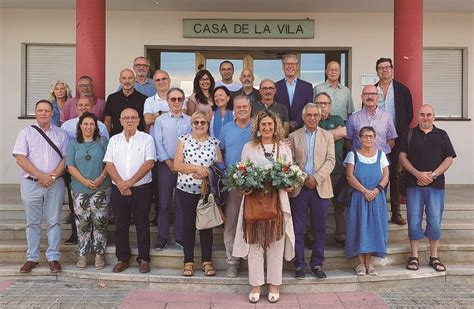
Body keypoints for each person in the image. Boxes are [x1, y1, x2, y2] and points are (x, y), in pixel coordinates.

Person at [233, 110, 295, 304]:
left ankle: (275, 284)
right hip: (253, 203)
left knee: (276, 244)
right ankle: (256, 285)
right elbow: (241, 172)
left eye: (270, 124)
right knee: (255, 245)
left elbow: (291, 175)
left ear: (275, 126)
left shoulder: (284, 148)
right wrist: (244, 187)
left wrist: (289, 184)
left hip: (277, 202)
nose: (267, 128)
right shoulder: (249, 147)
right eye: (263, 125)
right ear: (258, 128)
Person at [12, 100, 69, 274]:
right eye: (40, 110)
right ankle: (32, 258)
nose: (43, 113)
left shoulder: (62, 134)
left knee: (54, 221)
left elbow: (65, 160)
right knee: (32, 223)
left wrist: (51, 176)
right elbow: (21, 158)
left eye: (46, 110)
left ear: (53, 113)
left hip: (55, 183)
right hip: (31, 184)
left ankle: (53, 257)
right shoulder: (25, 133)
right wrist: (40, 176)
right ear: (35, 113)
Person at [399, 104, 456, 272]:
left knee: (435, 221)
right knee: (414, 220)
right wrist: (418, 174)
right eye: (422, 114)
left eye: (429, 115)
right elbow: (402, 157)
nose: (426, 117)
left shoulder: (442, 135)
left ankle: (434, 256)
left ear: (434, 116)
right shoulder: (409, 134)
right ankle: (414, 256)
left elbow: (449, 159)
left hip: (436, 186)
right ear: (418, 116)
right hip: (413, 184)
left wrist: (432, 175)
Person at [103, 108, 155, 273]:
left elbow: (149, 164)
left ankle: (144, 259)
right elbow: (109, 164)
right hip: (119, 189)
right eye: (126, 118)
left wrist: (129, 183)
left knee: (142, 224)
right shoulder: (114, 140)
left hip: (141, 189)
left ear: (139, 120)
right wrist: (121, 184)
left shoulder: (147, 139)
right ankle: (122, 258)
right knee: (120, 225)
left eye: (133, 118)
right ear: (120, 120)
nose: (129, 121)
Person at [174, 111, 223, 277]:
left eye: (203, 122)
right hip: (186, 189)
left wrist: (206, 172)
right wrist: (197, 168)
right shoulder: (183, 140)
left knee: (205, 226)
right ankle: (188, 262)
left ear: (208, 125)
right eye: (196, 122)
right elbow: (177, 165)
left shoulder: (214, 142)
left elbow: (220, 167)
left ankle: (207, 261)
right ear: (192, 124)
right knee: (188, 225)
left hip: (206, 191)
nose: (200, 125)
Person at [289, 103, 335, 279]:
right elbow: (290, 161)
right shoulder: (293, 136)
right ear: (303, 116)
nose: (312, 118)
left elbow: (331, 160)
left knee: (319, 228)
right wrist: (304, 178)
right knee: (298, 228)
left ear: (320, 116)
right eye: (309, 114)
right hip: (300, 188)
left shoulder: (327, 136)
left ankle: (317, 263)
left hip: (320, 187)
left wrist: (315, 178)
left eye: (316, 114)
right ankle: (299, 265)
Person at [66, 112, 111, 269]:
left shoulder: (103, 141)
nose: (88, 127)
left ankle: (99, 254)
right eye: (85, 124)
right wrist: (84, 181)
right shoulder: (73, 144)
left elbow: (109, 163)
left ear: (96, 127)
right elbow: (70, 166)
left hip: (102, 188)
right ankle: (83, 255)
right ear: (80, 126)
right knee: (83, 223)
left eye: (92, 124)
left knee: (100, 222)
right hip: (79, 189)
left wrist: (100, 178)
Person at [61, 96, 109, 245]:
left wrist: (101, 177)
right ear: (76, 108)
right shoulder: (66, 125)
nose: (83, 107)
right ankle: (76, 236)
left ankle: (97, 243)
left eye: (86, 105)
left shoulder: (101, 126)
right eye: (80, 105)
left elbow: (107, 154)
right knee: (76, 209)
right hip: (75, 174)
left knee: (98, 213)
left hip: (98, 175)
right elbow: (65, 151)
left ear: (92, 107)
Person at [344, 126, 389, 276]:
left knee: (373, 229)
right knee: (358, 227)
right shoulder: (353, 155)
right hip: (359, 198)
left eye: (371, 136)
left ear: (375, 138)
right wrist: (364, 191)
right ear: (360, 138)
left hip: (376, 198)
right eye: (365, 136)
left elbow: (386, 176)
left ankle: (369, 264)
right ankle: (360, 264)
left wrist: (376, 190)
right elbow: (350, 177)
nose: (368, 139)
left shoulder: (382, 155)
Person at [375, 57, 414, 226]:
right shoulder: (372, 90)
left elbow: (409, 114)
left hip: (397, 139)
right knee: (378, 174)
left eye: (387, 67)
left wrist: (398, 134)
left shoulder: (402, 90)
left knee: (395, 175)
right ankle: (379, 210)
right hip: (375, 140)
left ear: (392, 69)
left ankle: (396, 212)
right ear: (377, 71)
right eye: (380, 68)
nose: (384, 70)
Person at [152, 88, 191, 250]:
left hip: (185, 167)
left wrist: (182, 164)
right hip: (165, 165)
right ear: (167, 101)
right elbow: (157, 142)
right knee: (164, 202)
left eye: (179, 99)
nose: (176, 102)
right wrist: (169, 162)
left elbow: (192, 142)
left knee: (182, 203)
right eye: (173, 99)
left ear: (183, 101)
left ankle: (180, 237)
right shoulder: (160, 120)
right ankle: (162, 237)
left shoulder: (190, 120)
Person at [219, 95, 253, 277]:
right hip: (232, 183)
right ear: (233, 109)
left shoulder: (257, 126)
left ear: (250, 108)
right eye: (238, 107)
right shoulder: (226, 129)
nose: (241, 109)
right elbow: (220, 151)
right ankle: (232, 262)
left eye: (244, 106)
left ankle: (250, 261)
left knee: (251, 224)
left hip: (254, 183)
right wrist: (223, 172)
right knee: (231, 224)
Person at [315, 92, 347, 247]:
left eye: (325, 103)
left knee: (339, 205)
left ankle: (341, 235)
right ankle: (312, 236)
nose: (322, 106)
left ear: (330, 105)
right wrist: (333, 135)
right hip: (318, 172)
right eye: (319, 103)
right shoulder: (310, 120)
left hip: (337, 170)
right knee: (316, 207)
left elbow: (344, 132)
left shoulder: (337, 119)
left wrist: (320, 136)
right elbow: (311, 139)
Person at [346, 85, 397, 173]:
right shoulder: (353, 118)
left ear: (378, 97)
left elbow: (391, 141)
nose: (369, 97)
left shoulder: (387, 117)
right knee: (358, 186)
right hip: (359, 161)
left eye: (373, 94)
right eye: (366, 94)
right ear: (362, 97)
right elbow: (348, 142)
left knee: (381, 186)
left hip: (382, 162)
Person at [275, 54, 313, 132]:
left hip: (301, 128)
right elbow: (275, 107)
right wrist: (285, 123)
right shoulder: (275, 86)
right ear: (283, 67)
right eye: (287, 64)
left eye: (292, 64)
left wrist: (296, 122)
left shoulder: (307, 86)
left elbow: (308, 107)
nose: (290, 66)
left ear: (297, 67)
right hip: (280, 129)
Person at [104, 69, 147, 137]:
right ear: (120, 80)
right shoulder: (112, 98)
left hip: (138, 140)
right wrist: (106, 139)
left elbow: (146, 124)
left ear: (134, 80)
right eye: (124, 78)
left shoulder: (144, 99)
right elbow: (107, 121)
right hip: (116, 140)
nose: (127, 81)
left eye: (130, 78)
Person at [143, 70, 172, 135]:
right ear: (154, 83)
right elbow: (148, 120)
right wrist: (170, 113)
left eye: (164, 79)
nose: (161, 82)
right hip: (155, 140)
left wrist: (157, 114)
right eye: (158, 80)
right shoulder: (149, 100)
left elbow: (180, 116)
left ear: (169, 80)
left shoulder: (178, 97)